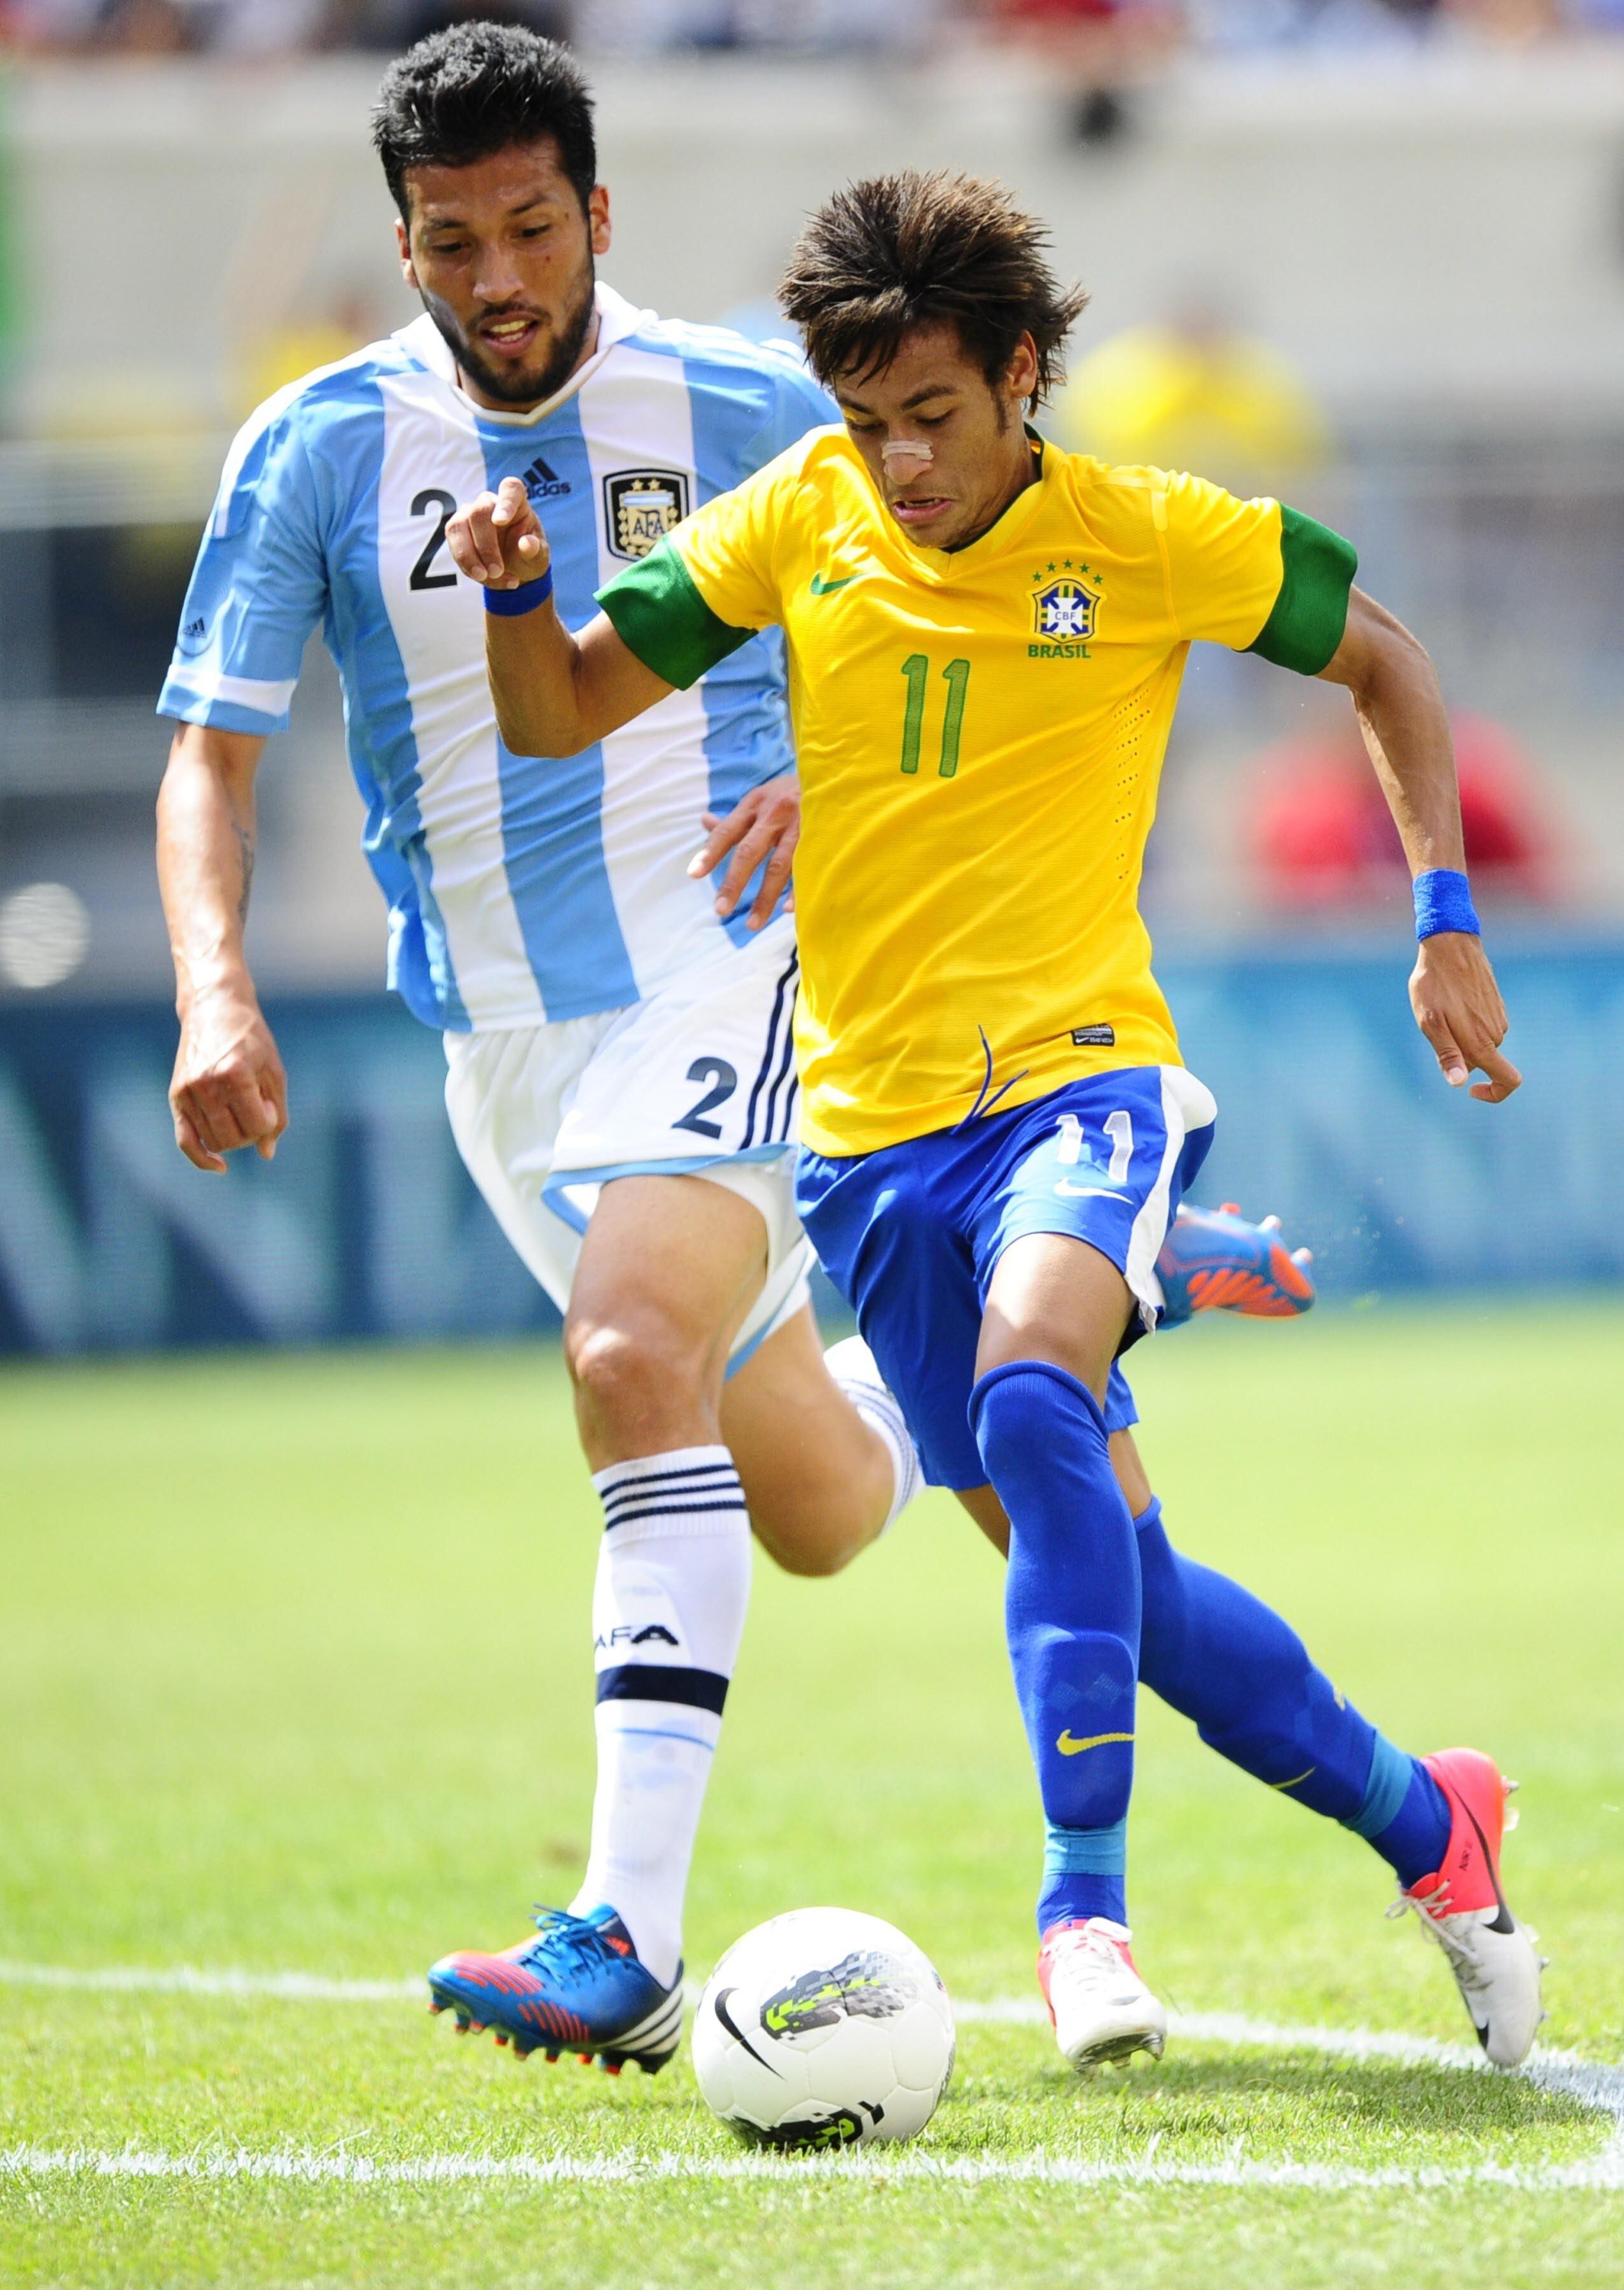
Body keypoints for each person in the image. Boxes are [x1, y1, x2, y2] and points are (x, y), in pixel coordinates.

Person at [153, 26, 1310, 2083]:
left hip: (739, 967)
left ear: (598, 216)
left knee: (623, 1356)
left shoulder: (755, 403)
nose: (497, 273)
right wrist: (215, 986)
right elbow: (210, 756)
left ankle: (622, 1933)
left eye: (531, 226)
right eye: (451, 240)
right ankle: (1112, 1261)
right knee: (823, 1503)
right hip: (501, 1044)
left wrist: (828, 785)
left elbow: (932, 587)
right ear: (403, 247)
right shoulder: (314, 448)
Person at [445, 166, 1545, 2072]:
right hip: (869, 1154)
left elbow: (1389, 660)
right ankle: (1421, 1814)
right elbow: (555, 715)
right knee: (1129, 1589)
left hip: (1081, 1075)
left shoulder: (1148, 532)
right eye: (865, 425)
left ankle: (1080, 1915)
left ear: (1023, 374)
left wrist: (1440, 917)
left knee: (1041, 1381)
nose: (897, 462)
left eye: (931, 418)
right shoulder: (799, 514)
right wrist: (519, 595)